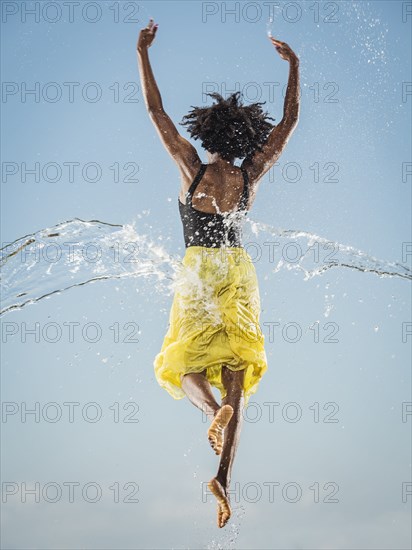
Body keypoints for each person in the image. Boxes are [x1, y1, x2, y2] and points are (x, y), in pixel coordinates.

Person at [137, 19, 300, 528]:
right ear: (243, 134)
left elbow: (156, 112)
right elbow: (288, 124)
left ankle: (210, 415)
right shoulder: (249, 175)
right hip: (240, 272)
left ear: (205, 131)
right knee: (238, 377)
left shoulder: (193, 168)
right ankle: (223, 477)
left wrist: (142, 53)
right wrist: (294, 66)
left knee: (181, 363)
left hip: (200, 269)